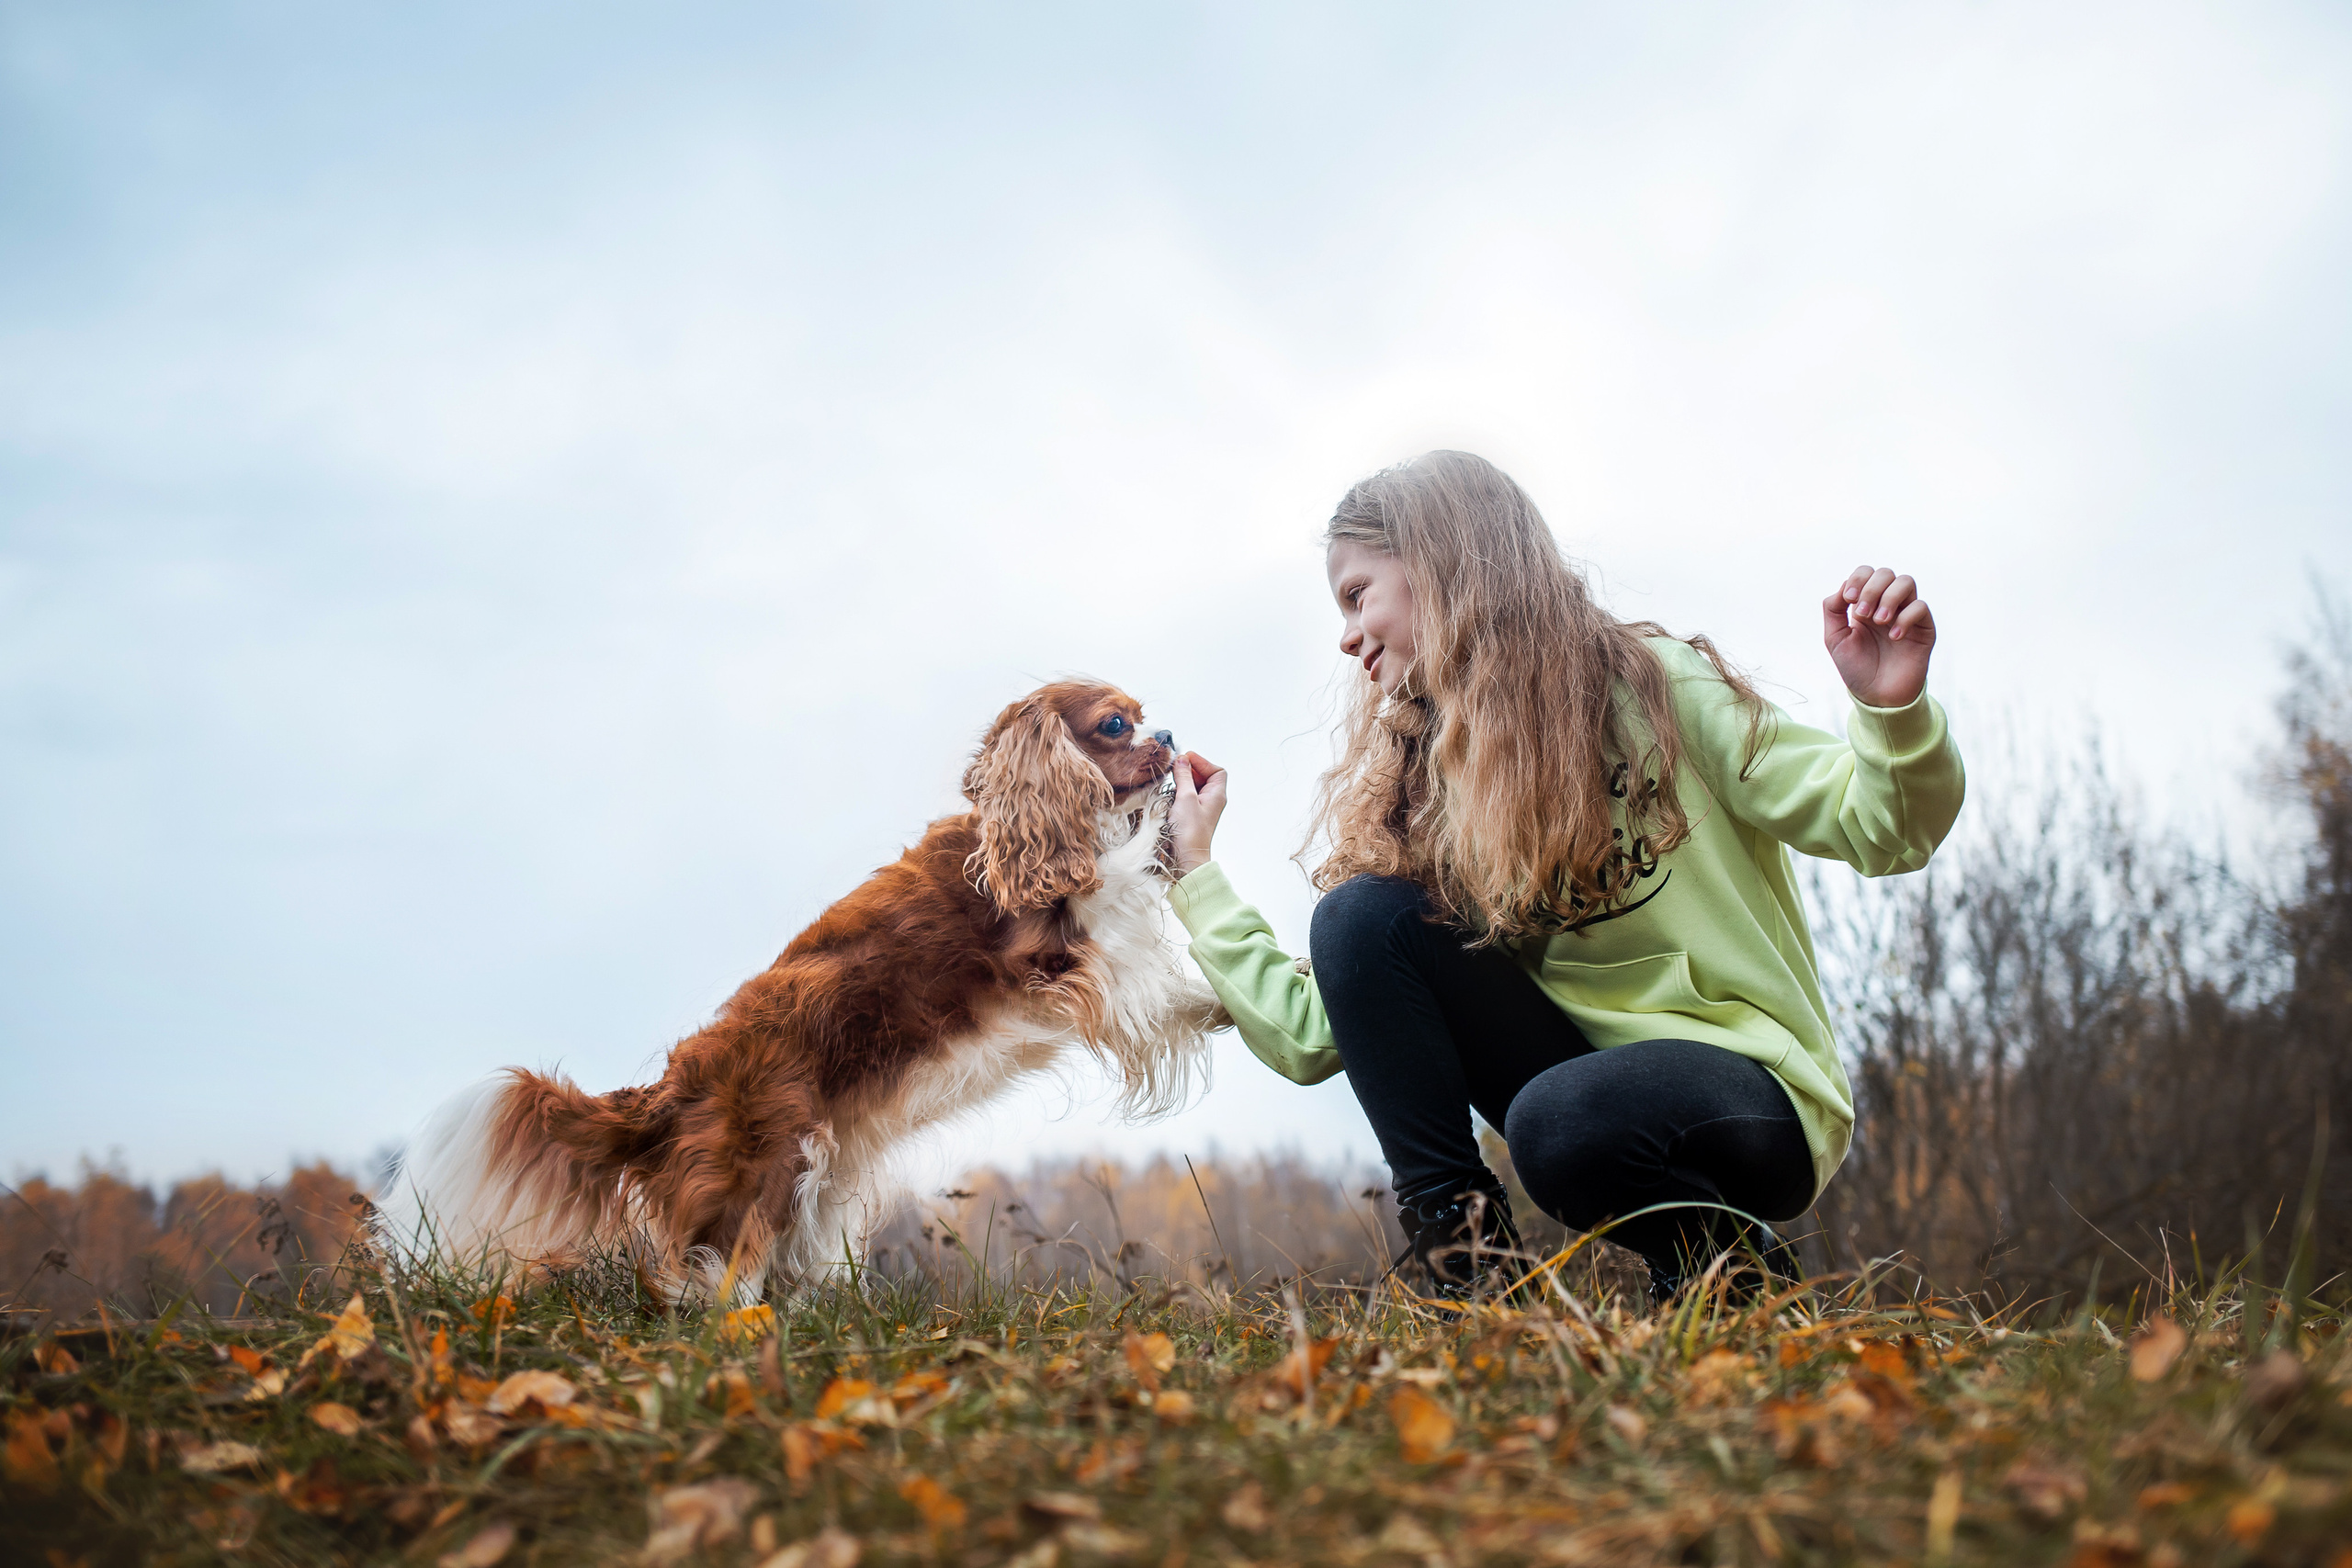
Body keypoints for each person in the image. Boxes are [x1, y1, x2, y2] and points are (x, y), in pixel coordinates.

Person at [1164, 451, 1964, 1302]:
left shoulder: (1658, 687)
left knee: (1562, 1118)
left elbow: (1883, 828)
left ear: (1440, 563)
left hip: (1752, 1091)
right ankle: (1469, 1267)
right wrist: (1195, 873)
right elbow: (1315, 1032)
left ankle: (1731, 1265)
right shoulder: (1434, 792)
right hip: (1574, 1094)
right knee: (1361, 916)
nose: (1348, 633)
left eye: (1359, 594)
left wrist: (1892, 710)